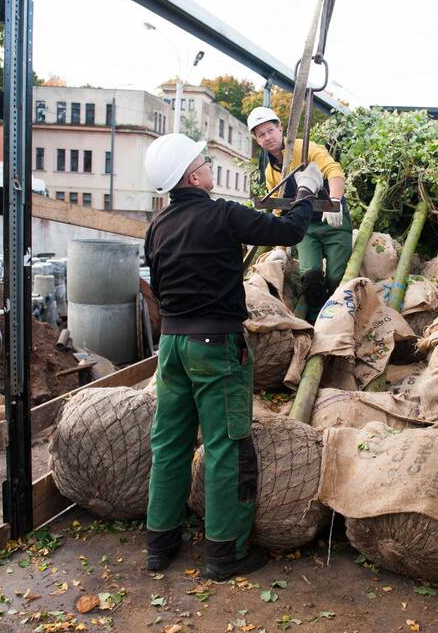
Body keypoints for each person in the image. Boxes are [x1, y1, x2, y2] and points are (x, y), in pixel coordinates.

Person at [140, 132, 323, 580]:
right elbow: (289, 231)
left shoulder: (157, 226)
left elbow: (158, 290)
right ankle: (225, 553)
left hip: (171, 347)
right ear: (193, 175)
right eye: (203, 160)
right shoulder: (221, 214)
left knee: (170, 442)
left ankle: (159, 544)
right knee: (225, 447)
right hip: (215, 347)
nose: (207, 164)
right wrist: (304, 193)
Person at [247, 106, 352, 321]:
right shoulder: (270, 171)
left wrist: (335, 200)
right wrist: (280, 246)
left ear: (281, 129)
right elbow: (279, 206)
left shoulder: (307, 150)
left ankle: (339, 318)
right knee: (311, 275)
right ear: (257, 140)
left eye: (270, 130)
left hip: (332, 221)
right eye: (261, 135)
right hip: (306, 228)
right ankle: (316, 321)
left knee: (335, 277)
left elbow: (334, 171)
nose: (267, 137)